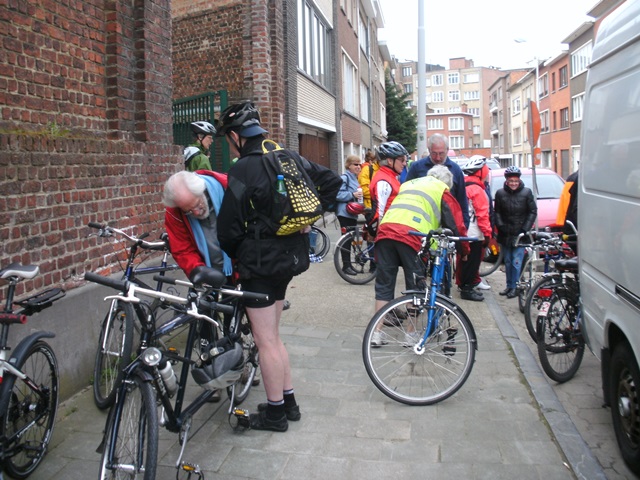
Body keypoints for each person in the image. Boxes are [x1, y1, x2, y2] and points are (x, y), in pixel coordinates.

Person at [215, 101, 341, 432]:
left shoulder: (243, 168)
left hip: (260, 263)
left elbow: (227, 228)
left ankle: (274, 416)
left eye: (229, 138)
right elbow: (332, 181)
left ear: (236, 136)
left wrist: (239, 250)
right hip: (290, 258)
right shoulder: (287, 157)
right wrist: (308, 219)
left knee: (266, 340)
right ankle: (288, 403)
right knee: (274, 335)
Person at [371, 165, 470, 346]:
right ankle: (410, 336)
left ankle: (376, 334)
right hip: (412, 237)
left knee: (384, 284)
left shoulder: (408, 184)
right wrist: (464, 251)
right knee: (415, 286)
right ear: (446, 183)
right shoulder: (442, 190)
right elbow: (456, 224)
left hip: (385, 232)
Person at [162, 169, 235, 403]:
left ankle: (241, 361)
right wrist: (196, 270)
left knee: (237, 319)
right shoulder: (174, 211)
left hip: (237, 265)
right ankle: (212, 375)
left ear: (202, 191)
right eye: (188, 211)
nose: (194, 212)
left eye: (196, 205)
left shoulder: (226, 188)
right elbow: (181, 247)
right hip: (205, 270)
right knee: (203, 319)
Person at [405, 134, 470, 228]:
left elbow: (462, 202)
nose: (438, 158)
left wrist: (464, 228)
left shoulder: (456, 170)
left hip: (449, 225)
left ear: (447, 150)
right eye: (434, 153)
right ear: (429, 149)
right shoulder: (416, 168)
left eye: (441, 153)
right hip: (422, 223)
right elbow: (408, 195)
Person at [494, 166, 537, 299]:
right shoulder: (500, 193)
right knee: (507, 261)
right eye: (511, 181)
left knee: (516, 261)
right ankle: (509, 285)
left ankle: (516, 286)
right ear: (507, 181)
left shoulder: (526, 193)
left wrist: (524, 229)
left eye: (516, 181)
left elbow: (532, 211)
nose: (513, 183)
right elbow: (497, 212)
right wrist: (501, 226)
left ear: (519, 181)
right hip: (506, 232)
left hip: (520, 234)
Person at [456, 156, 492, 302]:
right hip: (474, 233)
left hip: (463, 231)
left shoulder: (464, 186)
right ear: (481, 172)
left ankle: (464, 286)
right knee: (472, 262)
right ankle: (467, 289)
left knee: (464, 260)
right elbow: (482, 214)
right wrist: (488, 234)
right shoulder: (477, 190)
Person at [335, 155, 364, 275]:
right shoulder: (345, 177)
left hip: (351, 213)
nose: (358, 166)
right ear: (349, 165)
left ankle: (349, 265)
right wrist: (352, 194)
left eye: (359, 164)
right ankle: (346, 266)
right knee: (346, 240)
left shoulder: (354, 178)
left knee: (350, 238)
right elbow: (338, 194)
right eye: (355, 164)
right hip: (344, 213)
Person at [370, 141, 409, 229]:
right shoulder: (384, 181)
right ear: (390, 161)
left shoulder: (391, 177)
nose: (404, 163)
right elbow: (378, 213)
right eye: (402, 160)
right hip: (389, 231)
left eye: (405, 160)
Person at [556, 167, 579, 252]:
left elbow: (565, 201)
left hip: (569, 224)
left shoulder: (571, 178)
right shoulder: (578, 178)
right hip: (573, 226)